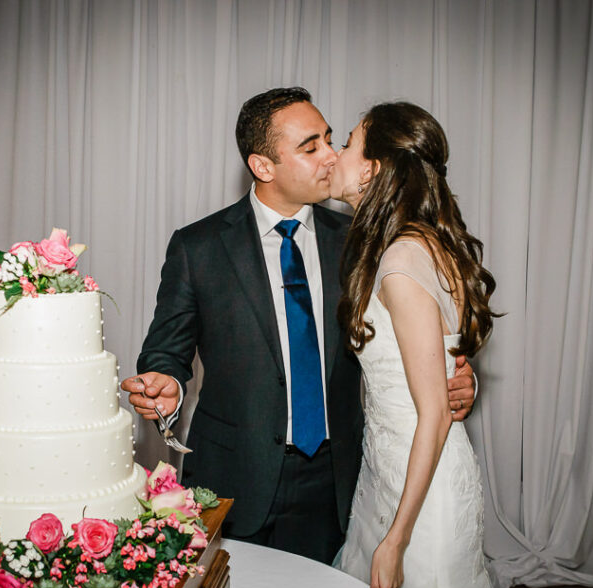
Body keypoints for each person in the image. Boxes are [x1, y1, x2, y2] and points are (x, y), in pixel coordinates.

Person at [122, 88, 476, 564]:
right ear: (264, 166)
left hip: (337, 480)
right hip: (234, 474)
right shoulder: (198, 247)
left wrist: (457, 372)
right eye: (311, 148)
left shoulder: (360, 242)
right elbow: (166, 349)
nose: (331, 156)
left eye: (331, 140)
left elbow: (412, 333)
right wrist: (163, 380)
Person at [330, 102, 530, 588]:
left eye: (347, 141)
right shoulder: (419, 244)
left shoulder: (399, 259)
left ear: (374, 167)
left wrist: (396, 538)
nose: (338, 154)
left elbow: (434, 413)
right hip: (390, 469)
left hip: (419, 486)